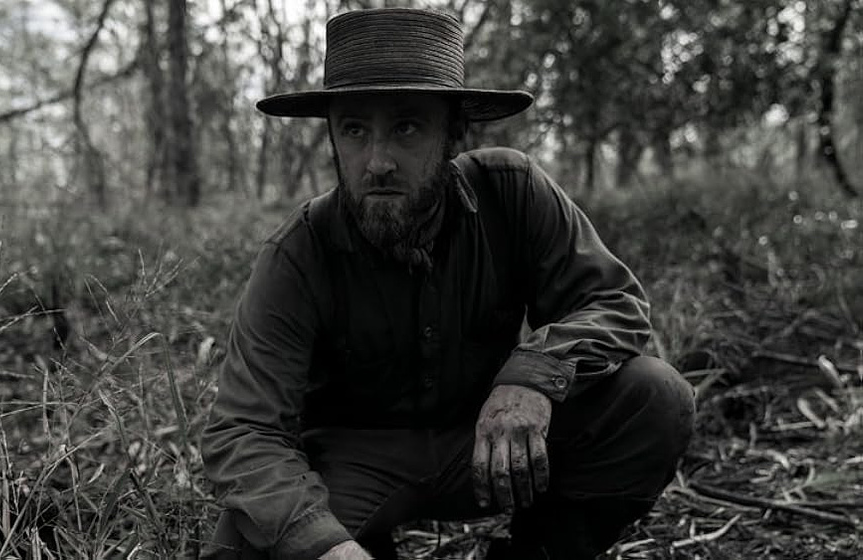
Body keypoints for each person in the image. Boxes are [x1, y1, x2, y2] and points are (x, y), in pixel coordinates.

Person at [200, 8, 695, 560]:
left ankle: (540, 550)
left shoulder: (511, 192)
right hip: (352, 465)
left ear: (455, 132)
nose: (377, 162)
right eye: (355, 130)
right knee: (245, 541)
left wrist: (534, 376)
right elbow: (244, 431)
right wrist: (327, 548)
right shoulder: (298, 253)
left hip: (492, 445)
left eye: (406, 128)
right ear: (332, 138)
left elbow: (614, 302)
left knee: (655, 396)